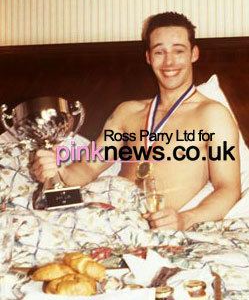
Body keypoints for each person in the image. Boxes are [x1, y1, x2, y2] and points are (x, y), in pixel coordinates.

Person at [31, 12, 241, 230]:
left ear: (194, 54)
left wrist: (185, 219)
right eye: (160, 52)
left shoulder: (212, 115)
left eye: (178, 51)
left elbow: (228, 188)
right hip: (104, 209)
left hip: (150, 224)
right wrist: (58, 173)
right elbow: (88, 166)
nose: (169, 62)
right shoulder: (127, 112)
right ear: (149, 57)